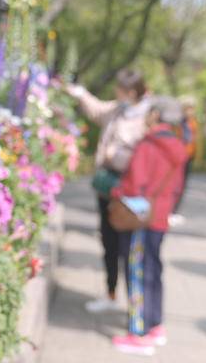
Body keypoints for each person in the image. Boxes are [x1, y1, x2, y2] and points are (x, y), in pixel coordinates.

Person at [109, 96, 190, 356]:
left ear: (156, 115)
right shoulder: (178, 146)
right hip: (160, 216)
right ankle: (155, 325)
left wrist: (116, 191)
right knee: (153, 269)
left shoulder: (148, 144)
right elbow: (177, 187)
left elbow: (134, 184)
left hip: (141, 217)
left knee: (137, 271)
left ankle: (138, 332)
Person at [66, 68, 151, 314]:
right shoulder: (117, 109)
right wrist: (80, 94)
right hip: (107, 188)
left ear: (132, 92)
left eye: (121, 90)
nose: (117, 93)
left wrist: (117, 155)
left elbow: (144, 156)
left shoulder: (145, 118)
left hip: (129, 191)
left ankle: (135, 303)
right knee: (108, 241)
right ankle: (111, 292)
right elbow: (96, 109)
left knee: (128, 246)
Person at [169, 97, 200, 226]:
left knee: (182, 184)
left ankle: (175, 210)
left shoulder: (193, 123)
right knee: (174, 183)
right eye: (188, 108)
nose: (190, 111)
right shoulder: (178, 123)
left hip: (189, 157)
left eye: (192, 109)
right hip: (177, 157)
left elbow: (196, 140)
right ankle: (169, 210)